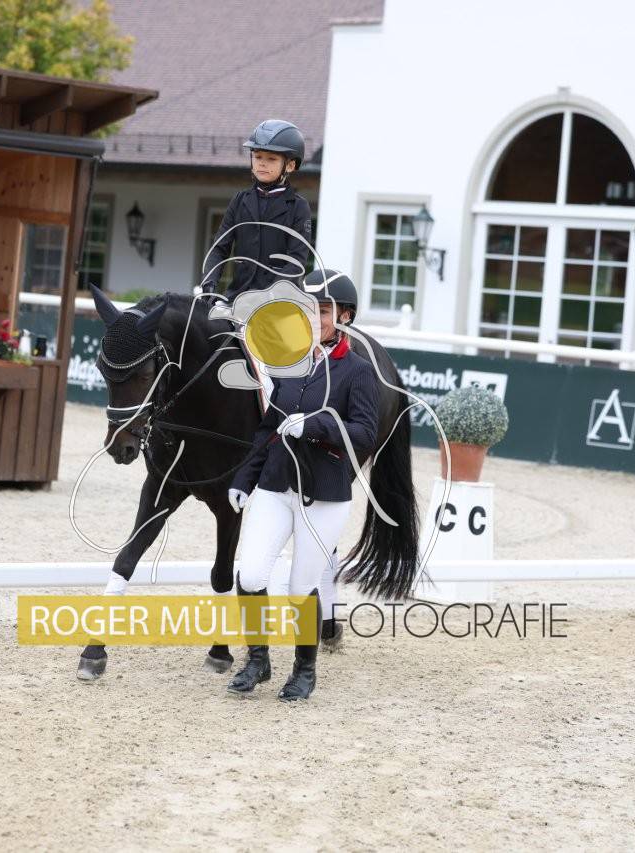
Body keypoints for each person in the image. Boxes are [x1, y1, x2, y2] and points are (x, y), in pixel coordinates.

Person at [225, 270, 377, 701]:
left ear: (344, 316)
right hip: (275, 485)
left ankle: (304, 670)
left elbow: (364, 433)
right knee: (251, 573)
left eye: (323, 311)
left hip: (323, 495)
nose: (313, 319)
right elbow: (267, 429)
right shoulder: (287, 363)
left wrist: (315, 426)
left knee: (299, 588)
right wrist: (244, 479)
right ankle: (257, 659)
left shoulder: (358, 372)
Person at [200, 119, 313, 299]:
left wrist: (270, 295)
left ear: (290, 165)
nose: (262, 163)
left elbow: (296, 261)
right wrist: (209, 283)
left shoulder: (299, 207)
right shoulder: (239, 200)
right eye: (258, 157)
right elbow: (219, 249)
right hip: (238, 296)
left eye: (271, 159)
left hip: (279, 300)